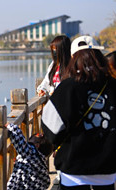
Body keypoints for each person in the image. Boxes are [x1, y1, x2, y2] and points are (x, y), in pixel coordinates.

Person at [41, 35, 116, 190]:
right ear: (100, 57)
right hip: (107, 168)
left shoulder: (67, 88)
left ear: (73, 58)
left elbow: (50, 128)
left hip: (73, 169)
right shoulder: (113, 86)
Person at [5, 123, 53, 190]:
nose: (38, 134)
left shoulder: (31, 153)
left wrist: (12, 127)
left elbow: (19, 142)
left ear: (37, 145)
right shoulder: (38, 158)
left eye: (38, 135)